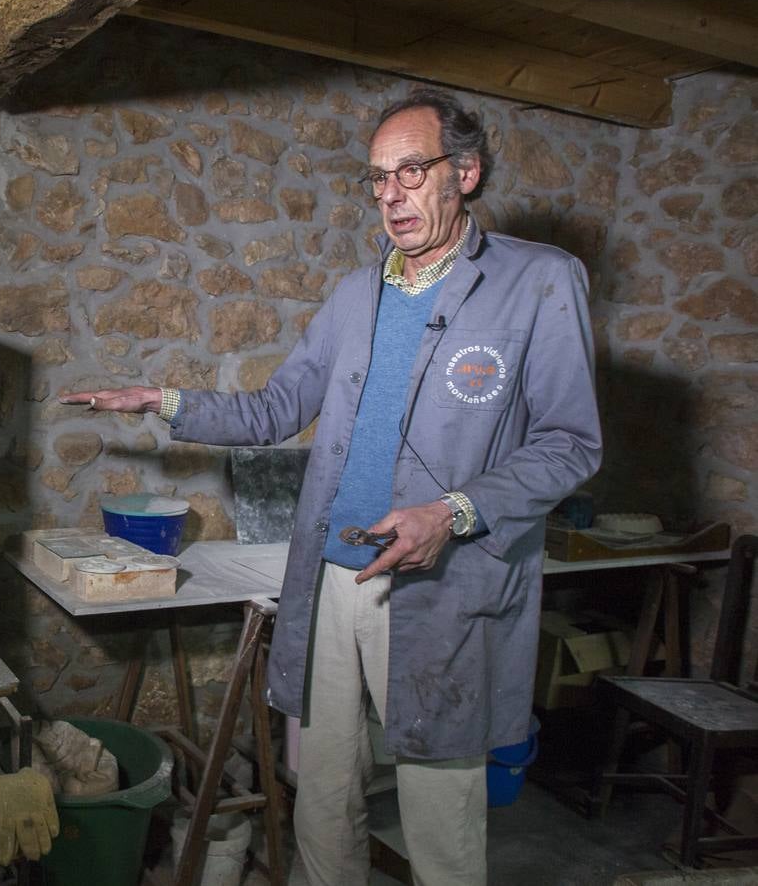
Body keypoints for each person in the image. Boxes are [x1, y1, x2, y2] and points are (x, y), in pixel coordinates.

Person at [60, 89, 601, 885]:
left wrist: (452, 514)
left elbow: (570, 444)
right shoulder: (357, 293)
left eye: (411, 171)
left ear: (468, 172)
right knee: (323, 791)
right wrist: (166, 402)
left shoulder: (539, 281)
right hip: (333, 581)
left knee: (439, 812)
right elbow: (280, 407)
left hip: (439, 581)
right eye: (378, 178)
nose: (391, 195)